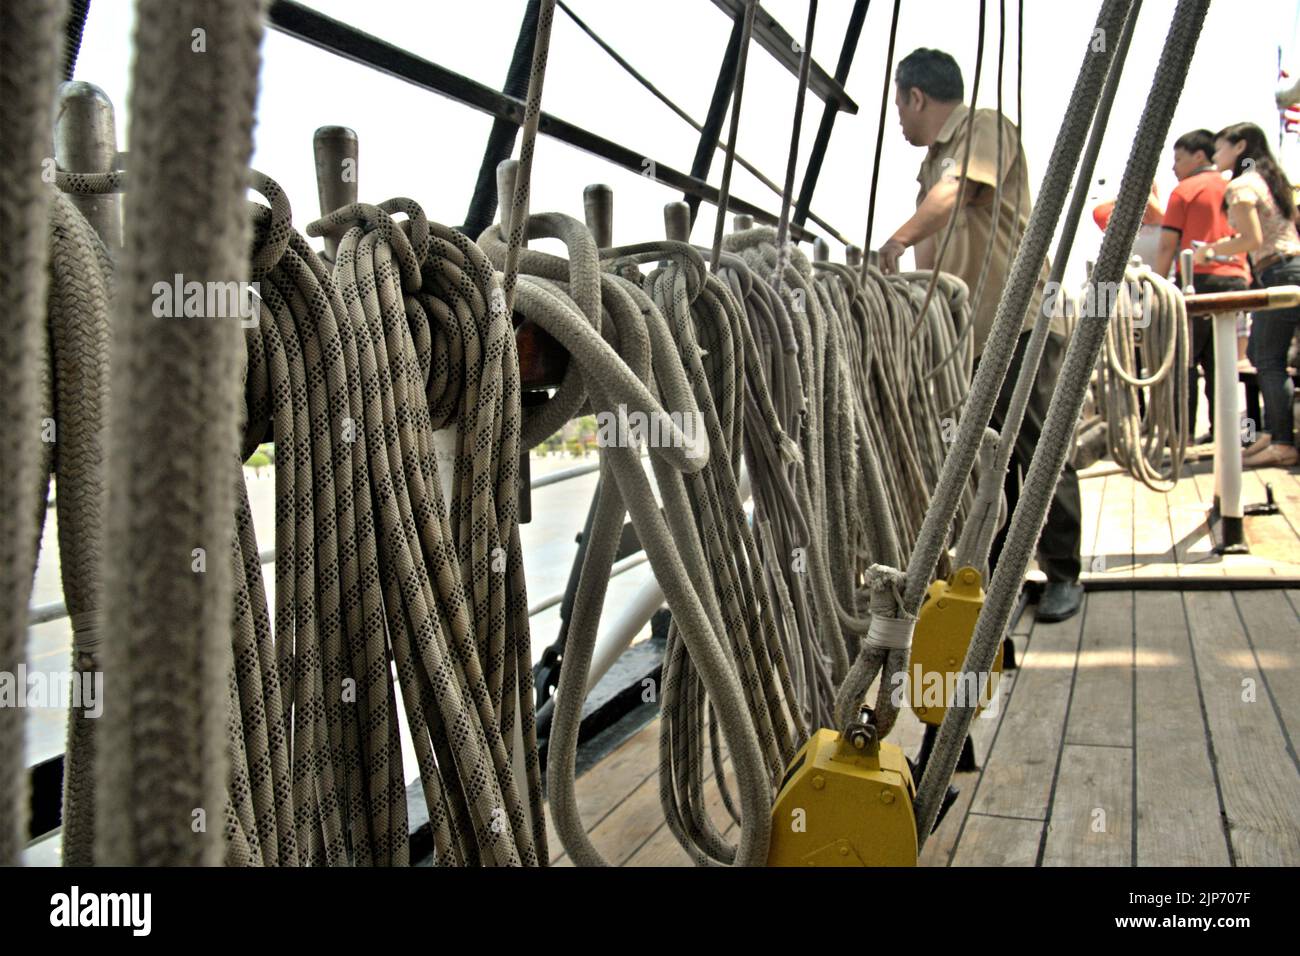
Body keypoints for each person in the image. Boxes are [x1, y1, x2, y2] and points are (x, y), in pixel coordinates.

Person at [878, 47, 1083, 623]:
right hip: (967, 339)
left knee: (1038, 447)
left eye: (899, 103)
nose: (898, 117)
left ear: (917, 96)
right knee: (981, 460)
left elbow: (958, 193)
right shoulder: (933, 161)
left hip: (1016, 323)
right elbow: (935, 240)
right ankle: (997, 577)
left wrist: (893, 242)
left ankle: (1063, 572)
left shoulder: (984, 128)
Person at [1195, 122, 1300, 467]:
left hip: (1277, 271)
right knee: (1261, 353)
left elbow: (1251, 240)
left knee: (1266, 358)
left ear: (1239, 148)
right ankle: (1272, 431)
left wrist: (1210, 252)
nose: (1215, 155)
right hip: (1291, 268)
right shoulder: (1273, 181)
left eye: (1221, 148)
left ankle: (1282, 441)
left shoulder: (1240, 187)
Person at [1154, 129, 1251, 445]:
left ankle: (1182, 435)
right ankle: (1229, 433)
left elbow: (1168, 245)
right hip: (1237, 282)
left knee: (1184, 361)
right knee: (1223, 363)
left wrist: (1154, 286)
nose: (1173, 167)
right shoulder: (1233, 186)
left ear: (1199, 156)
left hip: (1198, 280)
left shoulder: (1184, 191)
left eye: (1177, 158)